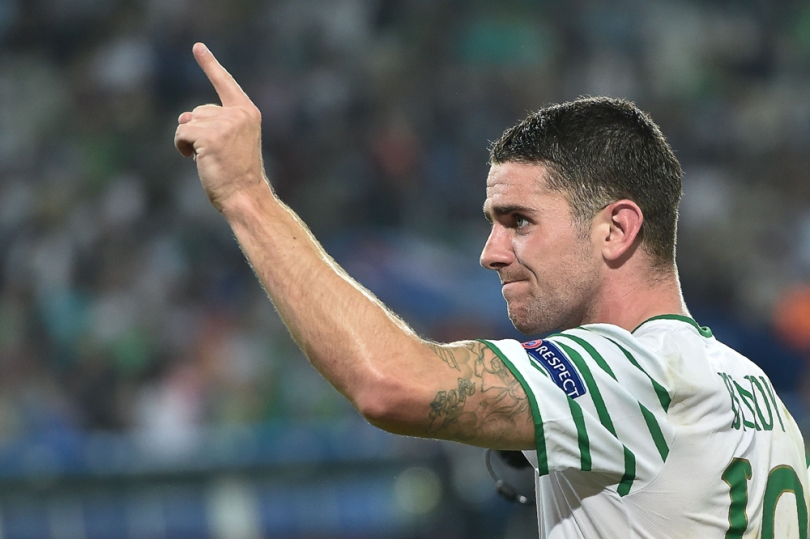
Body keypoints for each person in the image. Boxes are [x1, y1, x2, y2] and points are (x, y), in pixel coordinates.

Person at [174, 42, 809, 538]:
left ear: (616, 229)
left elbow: (390, 382)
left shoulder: (634, 372)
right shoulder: (757, 394)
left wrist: (246, 195)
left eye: (519, 222)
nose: (491, 253)